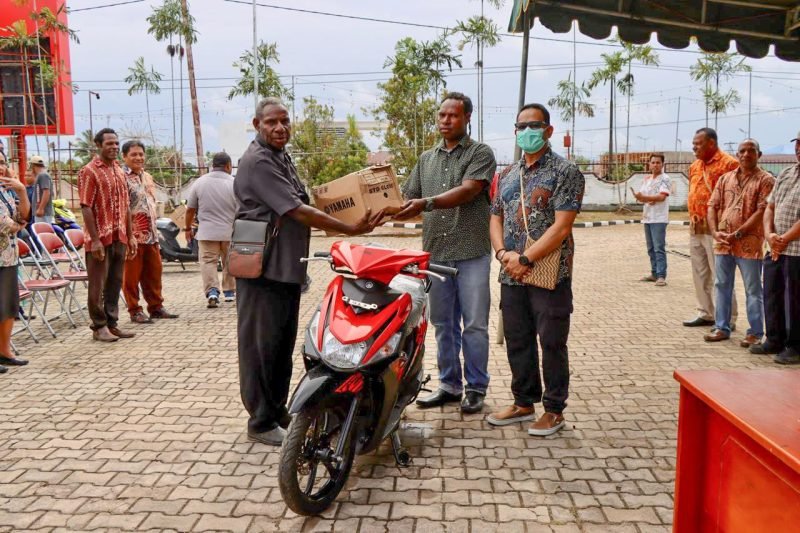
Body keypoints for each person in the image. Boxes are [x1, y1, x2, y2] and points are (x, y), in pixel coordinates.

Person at [235, 97, 384, 445]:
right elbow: (297, 209)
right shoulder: (258, 161)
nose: (280, 128)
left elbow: (308, 200)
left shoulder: (280, 156)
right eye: (271, 122)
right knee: (261, 346)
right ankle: (260, 421)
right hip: (263, 268)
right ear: (257, 125)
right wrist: (349, 229)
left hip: (284, 267)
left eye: (285, 121)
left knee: (280, 344)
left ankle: (276, 410)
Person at [486, 103, 584, 436]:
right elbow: (495, 216)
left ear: (549, 131)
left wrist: (525, 258)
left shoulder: (565, 171)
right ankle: (523, 402)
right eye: (521, 126)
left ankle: (554, 409)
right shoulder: (508, 174)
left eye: (535, 125)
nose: (527, 132)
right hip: (510, 273)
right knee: (518, 338)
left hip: (549, 273)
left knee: (552, 341)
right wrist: (502, 254)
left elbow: (562, 227)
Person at [395, 92, 496, 415]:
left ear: (467, 118)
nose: (445, 121)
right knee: (442, 324)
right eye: (441, 115)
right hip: (436, 254)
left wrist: (427, 202)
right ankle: (450, 386)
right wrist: (377, 202)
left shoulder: (480, 153)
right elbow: (407, 198)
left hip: (471, 253)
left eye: (452, 116)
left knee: (475, 324)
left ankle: (476, 387)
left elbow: (469, 190)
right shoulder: (426, 159)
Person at [705, 139, 774, 346]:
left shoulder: (766, 180)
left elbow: (762, 210)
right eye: (742, 151)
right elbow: (712, 205)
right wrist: (715, 232)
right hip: (723, 243)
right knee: (721, 285)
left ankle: (755, 332)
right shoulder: (725, 179)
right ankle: (721, 327)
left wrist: (739, 233)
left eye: (751, 151)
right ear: (737, 154)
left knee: (753, 289)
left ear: (759, 155)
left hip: (750, 244)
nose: (746, 154)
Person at [78, 128, 137, 342]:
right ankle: (99, 326)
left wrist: (130, 236)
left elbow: (126, 206)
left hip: (119, 235)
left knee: (114, 282)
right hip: (99, 238)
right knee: (97, 285)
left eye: (115, 143)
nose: (113, 147)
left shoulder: (119, 171)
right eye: (109, 143)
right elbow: (86, 207)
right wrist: (94, 240)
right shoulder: (89, 171)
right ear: (98, 145)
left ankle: (112, 323)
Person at [684, 127, 739, 329]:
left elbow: (734, 198)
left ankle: (728, 317)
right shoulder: (695, 166)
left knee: (721, 274)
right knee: (700, 273)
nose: (694, 147)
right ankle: (705, 312)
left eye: (698, 144)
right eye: (694, 143)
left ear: (711, 144)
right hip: (695, 226)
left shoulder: (729, 164)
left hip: (717, 229)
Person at [754, 132, 800, 364]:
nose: (799, 149)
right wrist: (770, 235)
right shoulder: (786, 174)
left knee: (796, 300)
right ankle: (774, 339)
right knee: (771, 293)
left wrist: (784, 238)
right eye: (798, 144)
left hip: (796, 251)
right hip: (775, 247)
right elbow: (770, 207)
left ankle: (795, 346)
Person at [121, 140, 178, 323]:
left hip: (152, 234)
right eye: (133, 155)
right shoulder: (121, 178)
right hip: (133, 236)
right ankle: (134, 310)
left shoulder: (147, 177)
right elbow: (122, 208)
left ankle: (156, 307)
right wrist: (128, 235)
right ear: (124, 157)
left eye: (141, 154)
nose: (138, 158)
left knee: (154, 274)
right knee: (131, 276)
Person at [185, 152, 238, 308]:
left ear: (212, 166)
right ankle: (229, 292)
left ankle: (213, 291)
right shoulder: (234, 183)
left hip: (207, 233)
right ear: (228, 166)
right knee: (229, 262)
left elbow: (190, 209)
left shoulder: (199, 183)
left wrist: (187, 228)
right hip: (230, 232)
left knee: (208, 262)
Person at [0, 152, 31, 373]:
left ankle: (4, 352)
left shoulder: (7, 192)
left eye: (2, 162)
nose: (0, 167)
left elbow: (24, 216)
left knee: (8, 306)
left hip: (9, 256)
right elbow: (7, 225)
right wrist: (19, 224)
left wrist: (21, 190)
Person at [633, 154, 671, 286]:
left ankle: (661, 275)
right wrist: (640, 197)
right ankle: (654, 273)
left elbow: (661, 197)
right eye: (653, 162)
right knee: (650, 248)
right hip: (648, 217)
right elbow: (641, 197)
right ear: (649, 164)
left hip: (659, 218)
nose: (655, 165)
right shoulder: (647, 179)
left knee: (658, 247)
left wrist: (647, 198)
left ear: (662, 164)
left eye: (658, 163)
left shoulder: (665, 179)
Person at [29, 155, 54, 224]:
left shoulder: (43, 175)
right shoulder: (41, 175)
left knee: (43, 232)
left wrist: (40, 208)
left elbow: (46, 192)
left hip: (44, 212)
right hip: (42, 212)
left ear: (33, 166)